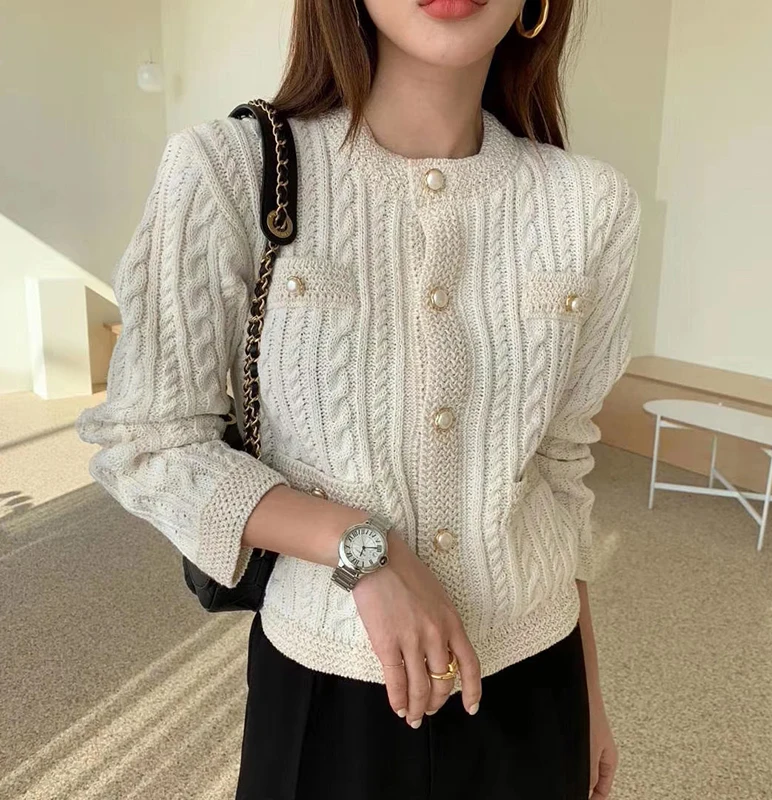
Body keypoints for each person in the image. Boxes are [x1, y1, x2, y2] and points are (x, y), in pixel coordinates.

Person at [76, 0, 640, 797]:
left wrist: (590, 698)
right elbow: (148, 440)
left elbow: (560, 470)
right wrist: (360, 549)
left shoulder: (591, 207)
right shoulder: (230, 171)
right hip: (325, 694)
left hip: (534, 684)